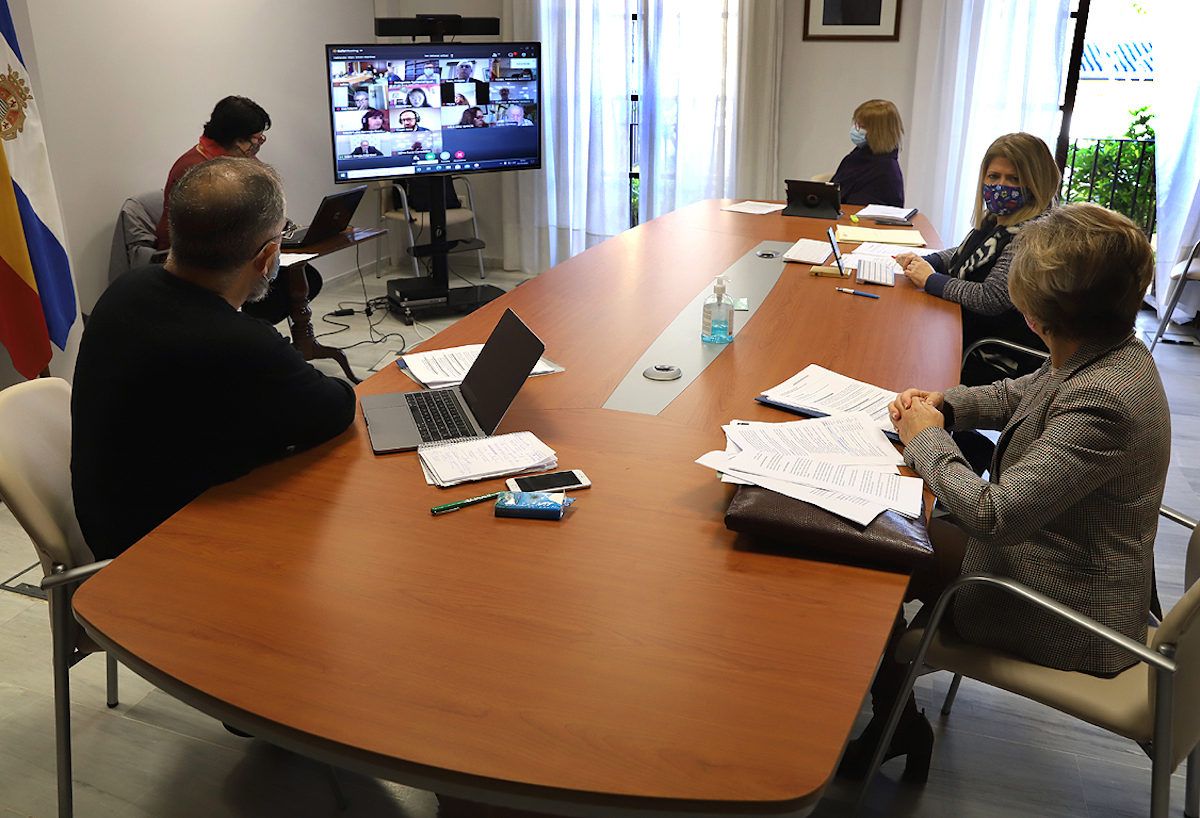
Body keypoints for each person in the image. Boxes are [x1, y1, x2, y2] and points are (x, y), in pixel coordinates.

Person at [839, 203, 1170, 783]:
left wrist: (927, 441)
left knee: (876, 550)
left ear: (1039, 313)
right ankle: (895, 717)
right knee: (892, 537)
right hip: (1061, 561)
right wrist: (947, 403)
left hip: (1073, 610)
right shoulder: (1106, 349)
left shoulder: (1106, 399)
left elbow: (995, 517)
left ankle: (890, 719)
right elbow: (1026, 391)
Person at [72, 158, 357, 561]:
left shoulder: (126, 290)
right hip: (166, 551)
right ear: (268, 255)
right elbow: (337, 406)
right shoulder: (240, 346)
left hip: (114, 518)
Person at [895, 132, 1061, 382]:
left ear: (1037, 182)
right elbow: (966, 254)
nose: (1000, 186)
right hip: (963, 330)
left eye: (1014, 179)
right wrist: (932, 261)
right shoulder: (997, 220)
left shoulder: (1031, 235)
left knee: (904, 358)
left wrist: (931, 280)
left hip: (995, 357)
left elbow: (991, 298)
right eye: (994, 176)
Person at [154, 96, 323, 324]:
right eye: (256, 138)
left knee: (307, 278)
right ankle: (244, 332)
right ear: (236, 139)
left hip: (238, 247)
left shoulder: (240, 159)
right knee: (287, 287)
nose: (259, 144)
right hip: (204, 261)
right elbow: (215, 236)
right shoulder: (197, 169)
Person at [830, 99, 905, 207]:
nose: (856, 129)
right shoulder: (856, 157)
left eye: (862, 126)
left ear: (879, 132)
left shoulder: (886, 171)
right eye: (857, 124)